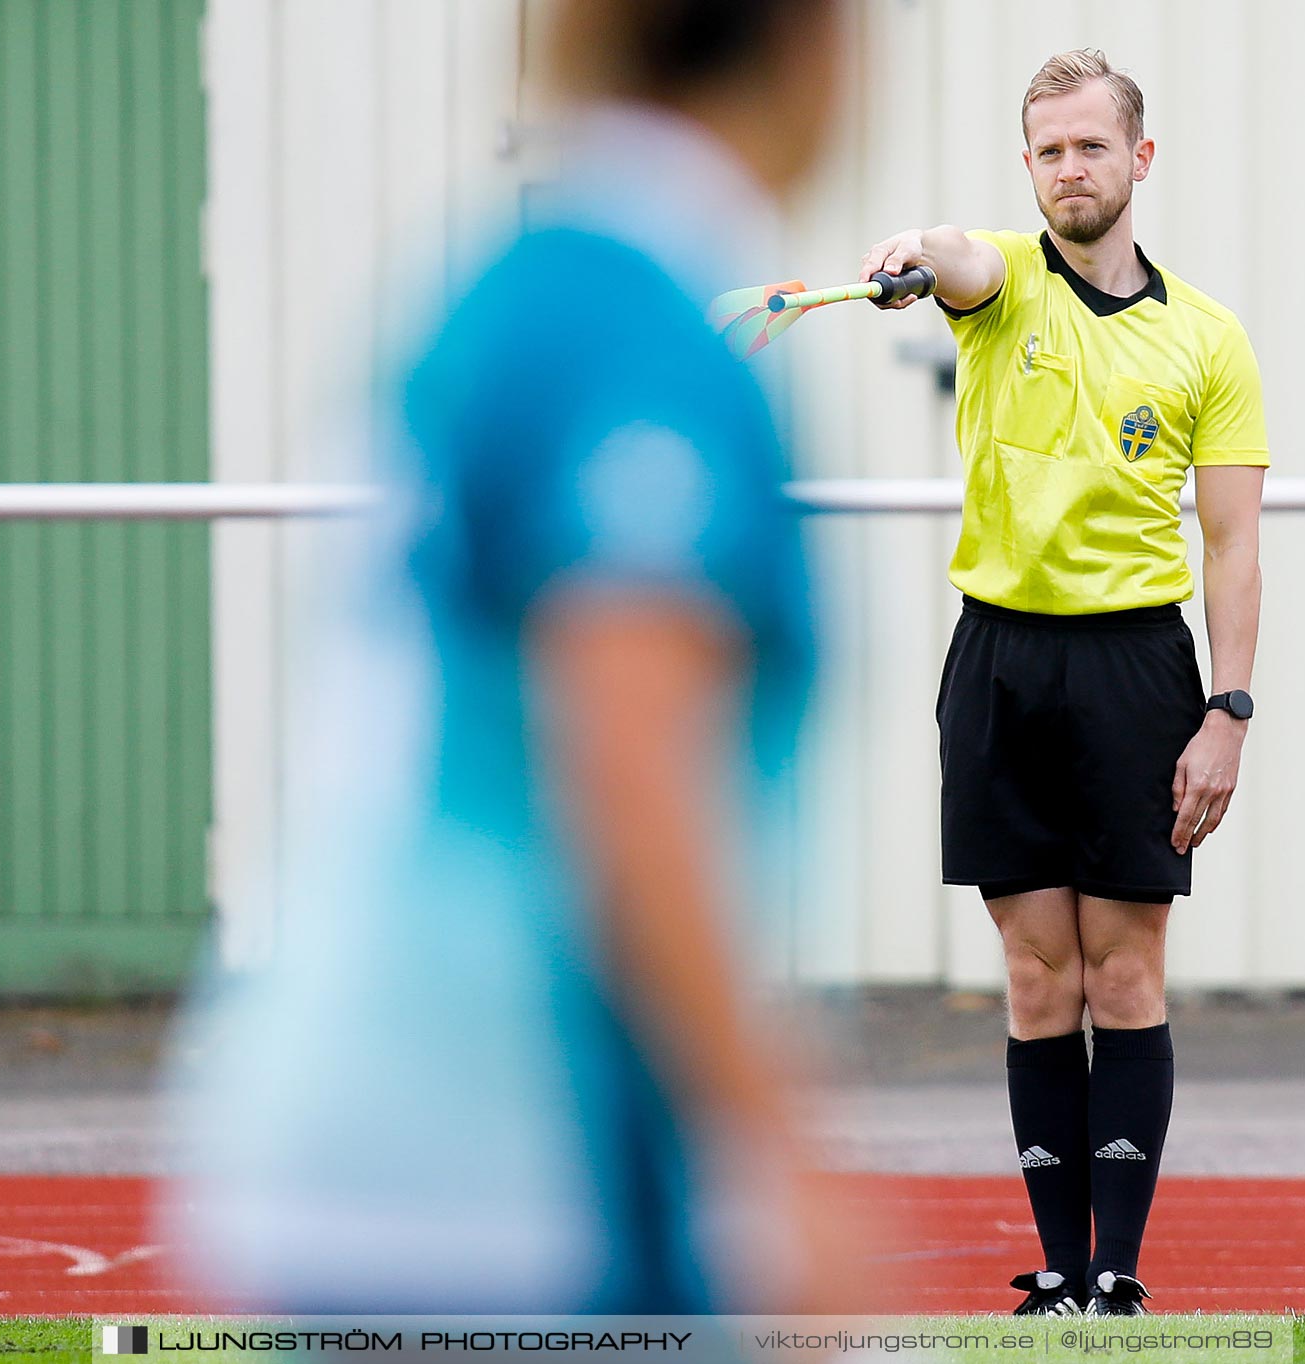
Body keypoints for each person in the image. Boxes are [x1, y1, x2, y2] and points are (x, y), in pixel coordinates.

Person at [161, 0, 855, 1315]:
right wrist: (780, 1153)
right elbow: (627, 758)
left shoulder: (511, 285)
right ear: (820, 40)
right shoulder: (630, 316)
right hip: (497, 1176)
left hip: (383, 1143)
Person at [858, 50, 1269, 1317]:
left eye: (1091, 146)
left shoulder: (1206, 338)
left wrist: (1228, 709)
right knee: (1039, 977)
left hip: (1140, 664)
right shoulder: (995, 285)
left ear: (1139, 159)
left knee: (1124, 974)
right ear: (1026, 167)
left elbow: (1235, 542)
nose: (1069, 169)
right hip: (1002, 659)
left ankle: (1119, 1277)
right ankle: (1056, 1272)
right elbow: (953, 254)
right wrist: (910, 252)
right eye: (1047, 150)